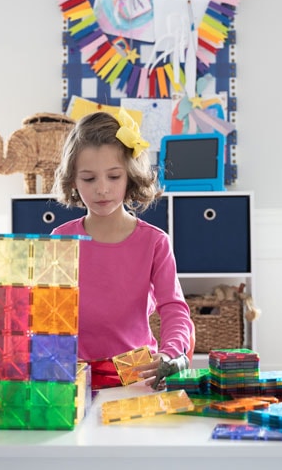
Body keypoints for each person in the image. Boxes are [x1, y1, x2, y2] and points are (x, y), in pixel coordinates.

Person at [51, 110, 194, 390]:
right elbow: (49, 314)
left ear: (130, 176)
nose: (102, 189)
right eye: (89, 179)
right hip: (74, 375)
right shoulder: (60, 239)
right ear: (72, 181)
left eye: (114, 176)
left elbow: (174, 309)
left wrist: (170, 353)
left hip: (138, 374)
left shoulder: (155, 242)